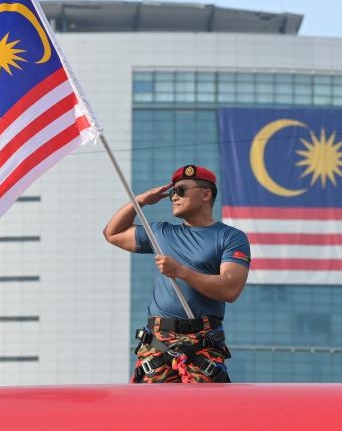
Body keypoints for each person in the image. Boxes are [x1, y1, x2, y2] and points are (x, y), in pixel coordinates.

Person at [103, 164, 251, 383]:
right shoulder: (161, 232)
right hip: (158, 342)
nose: (174, 196)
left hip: (202, 343)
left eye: (181, 191)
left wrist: (181, 272)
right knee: (151, 412)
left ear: (205, 194)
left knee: (202, 413)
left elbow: (230, 288)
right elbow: (112, 233)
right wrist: (141, 200)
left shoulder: (229, 237)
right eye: (172, 192)